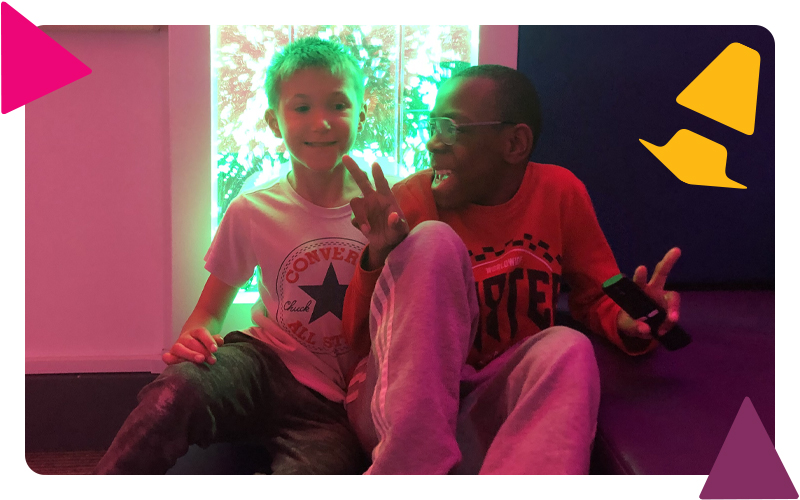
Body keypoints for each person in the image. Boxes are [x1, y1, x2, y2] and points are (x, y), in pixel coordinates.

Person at [340, 64, 683, 474]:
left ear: (515, 143)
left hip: (485, 412)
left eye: (451, 128)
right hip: (397, 414)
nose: (432, 143)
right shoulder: (410, 204)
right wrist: (376, 258)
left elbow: (595, 297)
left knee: (568, 347)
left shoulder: (559, 194)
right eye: (432, 126)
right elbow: (357, 340)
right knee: (432, 240)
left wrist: (627, 320)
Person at [94, 37, 376, 474]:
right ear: (275, 121)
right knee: (175, 391)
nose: (320, 123)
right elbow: (208, 311)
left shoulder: (386, 207)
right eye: (301, 107)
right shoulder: (253, 209)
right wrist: (194, 338)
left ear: (361, 112)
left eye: (337, 105)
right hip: (261, 366)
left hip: (334, 404)